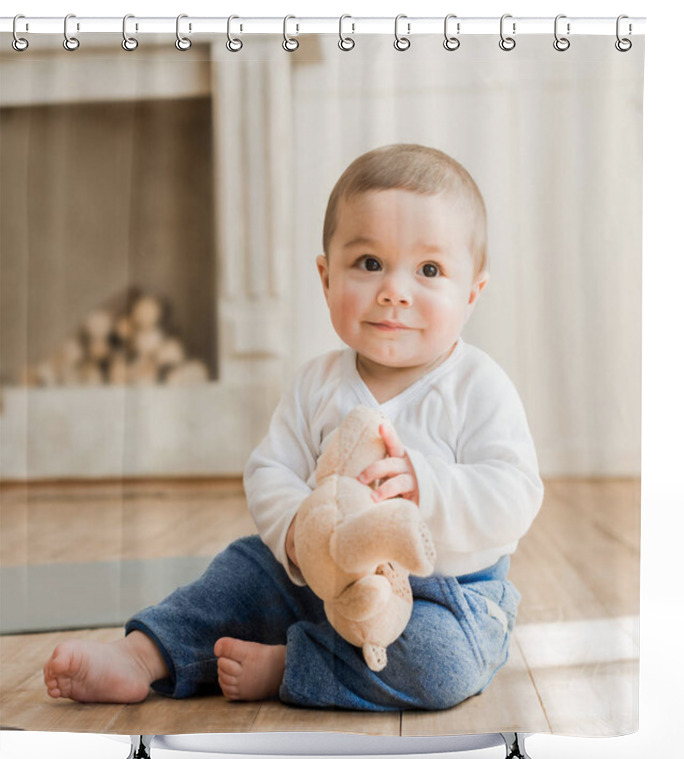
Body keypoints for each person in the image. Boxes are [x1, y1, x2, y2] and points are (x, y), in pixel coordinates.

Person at [43, 144, 544, 712]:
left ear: (472, 293)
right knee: (239, 571)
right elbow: (270, 468)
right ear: (326, 276)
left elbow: (517, 492)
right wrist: (297, 535)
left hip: (445, 594)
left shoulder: (478, 385)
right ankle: (143, 654)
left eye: (429, 270)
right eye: (369, 263)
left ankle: (294, 663)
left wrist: (427, 487)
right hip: (319, 581)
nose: (394, 291)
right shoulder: (318, 383)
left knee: (443, 662)